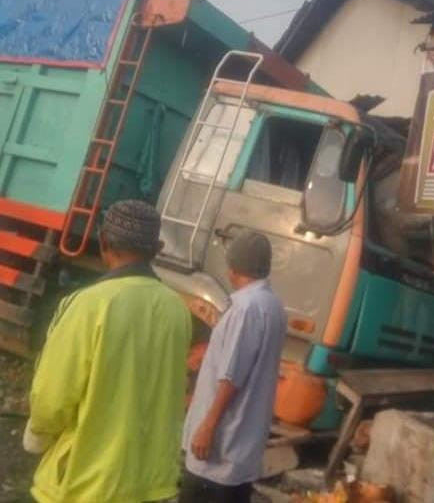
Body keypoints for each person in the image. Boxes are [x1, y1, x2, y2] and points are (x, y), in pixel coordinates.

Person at [26, 200, 191, 503]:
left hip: (88, 486)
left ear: (104, 242)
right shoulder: (177, 309)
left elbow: (52, 398)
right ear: (158, 248)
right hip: (154, 483)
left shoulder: (89, 304)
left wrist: (37, 435)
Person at [180, 229, 287, 503]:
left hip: (219, 449)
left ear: (234, 266)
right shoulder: (272, 305)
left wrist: (207, 426)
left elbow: (231, 376)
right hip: (241, 449)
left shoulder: (245, 309)